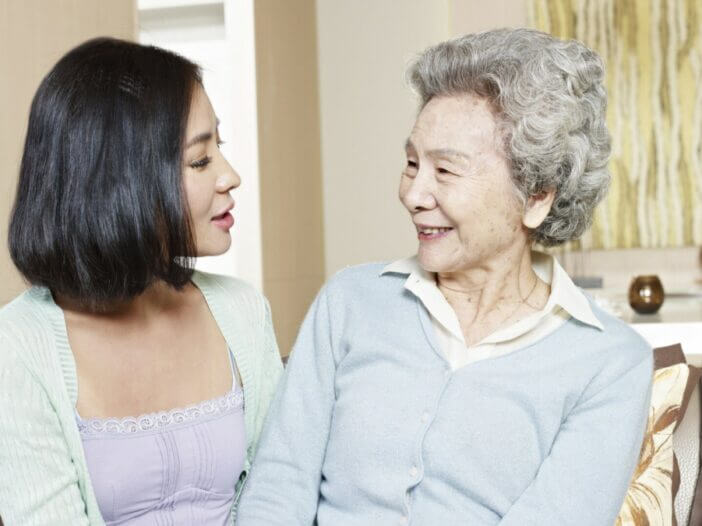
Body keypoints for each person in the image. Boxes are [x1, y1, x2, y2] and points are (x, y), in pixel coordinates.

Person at [236, 28, 653, 525]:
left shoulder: (609, 363)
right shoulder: (349, 302)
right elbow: (278, 489)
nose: (413, 194)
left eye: (446, 171)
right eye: (412, 163)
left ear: (538, 196)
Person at [0, 38, 282, 525]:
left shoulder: (242, 311)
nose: (231, 176)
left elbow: (281, 493)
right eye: (199, 160)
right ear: (118, 178)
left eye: (221, 149)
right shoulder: (18, 349)